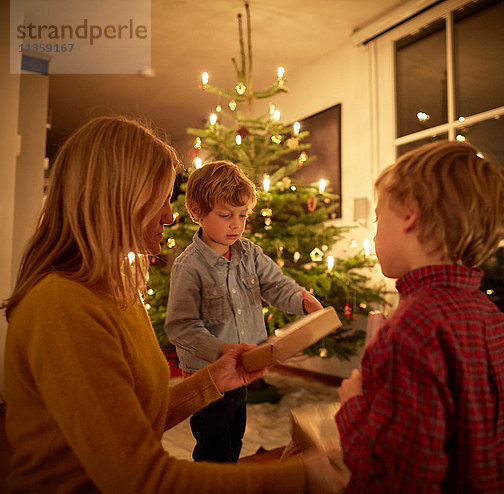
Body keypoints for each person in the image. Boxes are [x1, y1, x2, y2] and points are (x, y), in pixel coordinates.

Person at [1, 116, 344, 494]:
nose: (169, 215)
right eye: (162, 198)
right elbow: (141, 479)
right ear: (117, 198)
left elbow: (134, 416)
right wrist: (309, 474)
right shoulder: (62, 307)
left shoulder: (116, 292)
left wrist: (212, 380)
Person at [335, 141, 504, 493]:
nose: (375, 233)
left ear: (409, 213)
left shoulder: (408, 331)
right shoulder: (499, 321)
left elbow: (393, 477)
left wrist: (352, 406)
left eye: (379, 218)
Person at [165, 160, 323, 463]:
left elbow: (277, 285)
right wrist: (222, 349)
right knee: (213, 445)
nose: (236, 224)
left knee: (234, 435)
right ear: (197, 213)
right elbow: (181, 326)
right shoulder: (189, 267)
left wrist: (301, 299)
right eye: (225, 216)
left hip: (244, 368)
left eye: (242, 215)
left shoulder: (250, 253)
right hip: (207, 376)